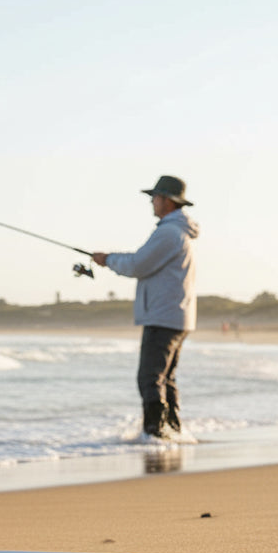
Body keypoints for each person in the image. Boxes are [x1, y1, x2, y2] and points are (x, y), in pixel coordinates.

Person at [90, 175, 199, 439]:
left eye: (155, 197)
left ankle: (155, 433)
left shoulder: (169, 233)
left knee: (149, 378)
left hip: (164, 317)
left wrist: (109, 260)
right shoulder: (178, 232)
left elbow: (138, 265)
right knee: (165, 379)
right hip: (176, 316)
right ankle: (172, 430)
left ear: (168, 201)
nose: (152, 201)